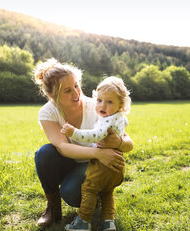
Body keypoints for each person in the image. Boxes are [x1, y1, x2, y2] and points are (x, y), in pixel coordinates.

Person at [33, 58, 133, 228]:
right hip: (72, 160)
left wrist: (119, 142)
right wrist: (98, 153)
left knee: (71, 194)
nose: (76, 93)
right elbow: (63, 147)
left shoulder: (97, 106)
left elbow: (129, 143)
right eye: (67, 90)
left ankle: (98, 196)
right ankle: (53, 207)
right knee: (44, 154)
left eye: (76, 85)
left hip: (94, 165)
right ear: (53, 95)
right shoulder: (47, 112)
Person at [61, 76, 131, 231]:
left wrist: (74, 132)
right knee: (107, 192)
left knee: (89, 189)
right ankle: (108, 222)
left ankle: (83, 222)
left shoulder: (106, 121)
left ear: (121, 105)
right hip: (117, 165)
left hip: (102, 165)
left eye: (109, 102)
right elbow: (125, 123)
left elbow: (94, 136)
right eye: (99, 100)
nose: (102, 105)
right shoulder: (119, 117)